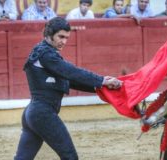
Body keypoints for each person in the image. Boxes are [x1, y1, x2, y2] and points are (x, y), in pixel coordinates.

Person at [14, 17, 122, 160]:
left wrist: (100, 86)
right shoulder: (46, 55)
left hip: (33, 113)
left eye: (66, 38)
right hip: (42, 114)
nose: (64, 42)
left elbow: (69, 79)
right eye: (61, 36)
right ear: (49, 33)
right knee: (70, 157)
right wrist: (101, 80)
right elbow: (72, 72)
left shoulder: (44, 52)